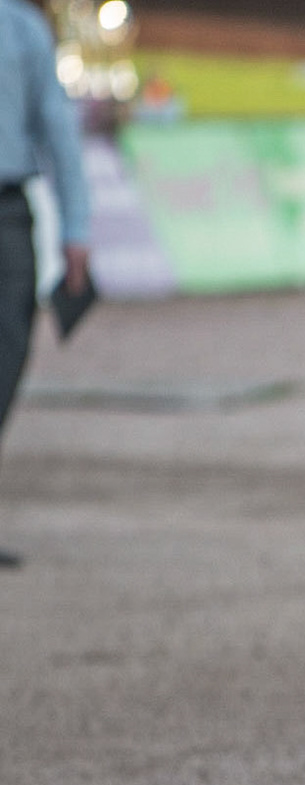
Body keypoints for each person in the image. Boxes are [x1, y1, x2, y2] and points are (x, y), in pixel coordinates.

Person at [1, 0, 92, 570]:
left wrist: (76, 227)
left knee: (8, 356)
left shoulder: (22, 27)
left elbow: (58, 127)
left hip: (6, 214)